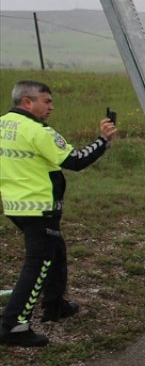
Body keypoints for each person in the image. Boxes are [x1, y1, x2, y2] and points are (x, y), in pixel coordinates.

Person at [1, 80, 115, 347]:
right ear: (27, 102)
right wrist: (103, 140)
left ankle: (54, 305)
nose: (51, 107)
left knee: (56, 253)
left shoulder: (4, 123)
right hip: (39, 207)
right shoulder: (38, 131)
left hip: (16, 205)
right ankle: (13, 325)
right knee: (37, 265)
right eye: (46, 101)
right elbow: (75, 160)